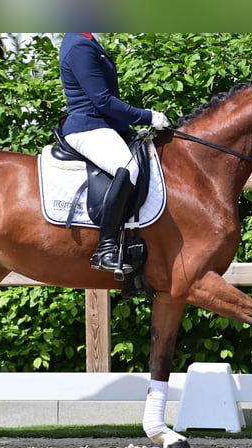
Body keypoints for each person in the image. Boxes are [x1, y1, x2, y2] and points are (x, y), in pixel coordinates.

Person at [58, 32, 170, 275]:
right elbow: (103, 101)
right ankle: (105, 248)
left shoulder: (87, 40)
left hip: (104, 125)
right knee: (127, 166)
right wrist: (148, 116)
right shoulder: (79, 45)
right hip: (88, 126)